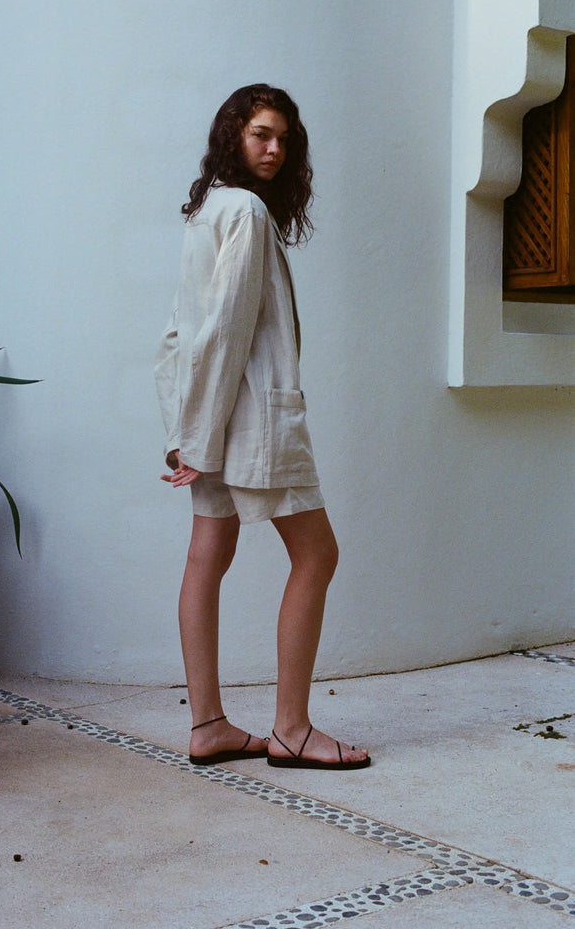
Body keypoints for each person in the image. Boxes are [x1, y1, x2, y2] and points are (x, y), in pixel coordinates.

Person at [155, 84, 370, 771]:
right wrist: (199, 435)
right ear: (233, 137)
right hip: (251, 421)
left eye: (284, 139)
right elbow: (221, 333)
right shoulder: (244, 211)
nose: (274, 149)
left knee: (204, 559)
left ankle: (209, 725)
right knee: (318, 555)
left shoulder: (204, 212)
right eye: (260, 136)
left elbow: (177, 336)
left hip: (212, 421)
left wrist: (184, 430)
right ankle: (293, 730)